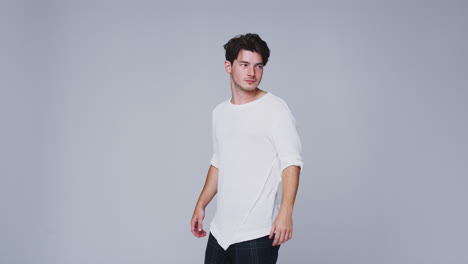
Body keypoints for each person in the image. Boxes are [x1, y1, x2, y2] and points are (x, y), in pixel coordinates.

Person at [191, 33, 303, 264]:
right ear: (228, 66)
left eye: (258, 66)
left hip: (257, 233)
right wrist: (201, 205)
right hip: (220, 232)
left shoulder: (275, 109)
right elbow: (218, 162)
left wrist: (286, 212)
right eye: (244, 65)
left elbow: (291, 162)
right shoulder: (219, 113)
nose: (252, 73)